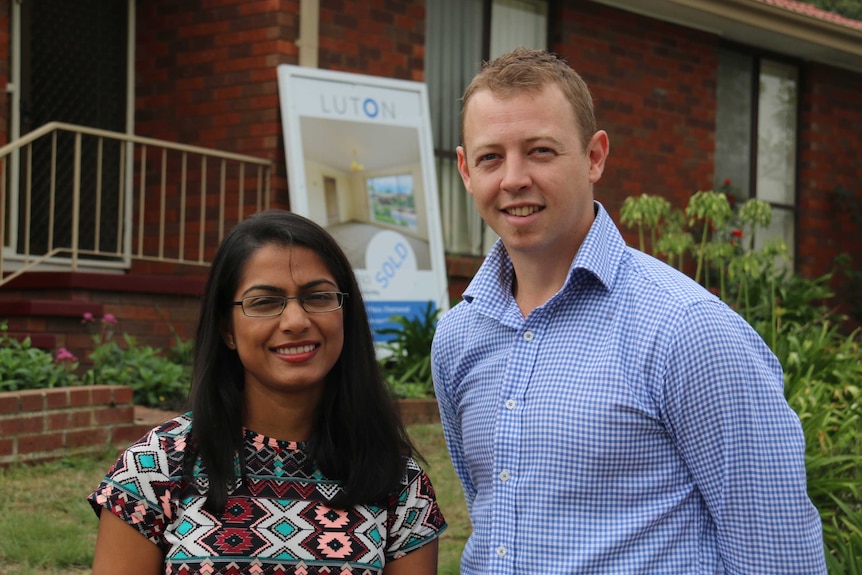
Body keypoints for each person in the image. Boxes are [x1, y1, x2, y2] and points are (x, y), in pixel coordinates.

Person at [431, 47, 826, 574]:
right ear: (464, 169)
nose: (513, 178)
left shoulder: (687, 329)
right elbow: (491, 511)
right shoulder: (458, 336)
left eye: (541, 151)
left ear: (595, 157)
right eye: (490, 157)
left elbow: (775, 553)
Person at [89, 210, 447, 575]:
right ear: (227, 329)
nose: (296, 322)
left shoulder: (396, 480)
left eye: (318, 297)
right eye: (264, 302)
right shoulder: (154, 469)